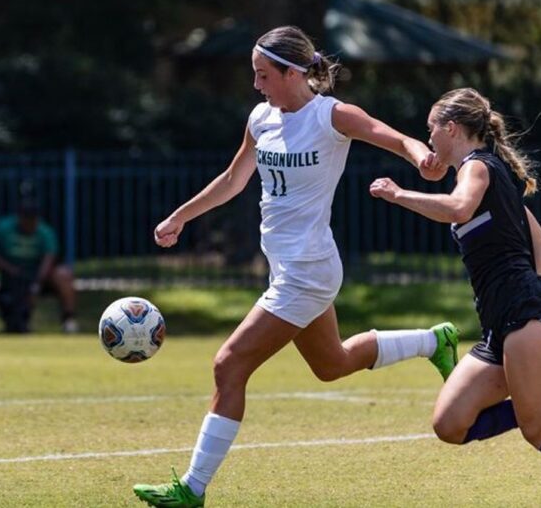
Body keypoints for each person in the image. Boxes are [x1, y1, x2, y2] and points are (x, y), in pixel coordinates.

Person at [132, 25, 459, 508]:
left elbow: (389, 137)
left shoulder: (331, 115)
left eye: (263, 75)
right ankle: (435, 340)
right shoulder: (260, 118)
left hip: (309, 271)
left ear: (292, 72)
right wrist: (180, 216)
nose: (257, 84)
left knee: (228, 365)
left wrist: (422, 158)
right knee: (333, 365)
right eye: (255, 75)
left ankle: (192, 488)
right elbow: (232, 178)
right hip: (287, 269)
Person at [369, 87, 541, 474]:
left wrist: (398, 194)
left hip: (526, 317)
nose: (428, 139)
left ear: (452, 129)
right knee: (450, 423)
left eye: (431, 129)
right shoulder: (490, 175)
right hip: (504, 323)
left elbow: (459, 209)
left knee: (539, 429)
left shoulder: (479, 166)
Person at [0, 197, 78, 334]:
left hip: (40, 276)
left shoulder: (44, 232)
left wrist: (36, 282)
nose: (30, 223)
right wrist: (12, 271)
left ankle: (68, 320)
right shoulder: (4, 228)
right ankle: (20, 323)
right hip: (13, 276)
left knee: (64, 275)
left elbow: (49, 258)